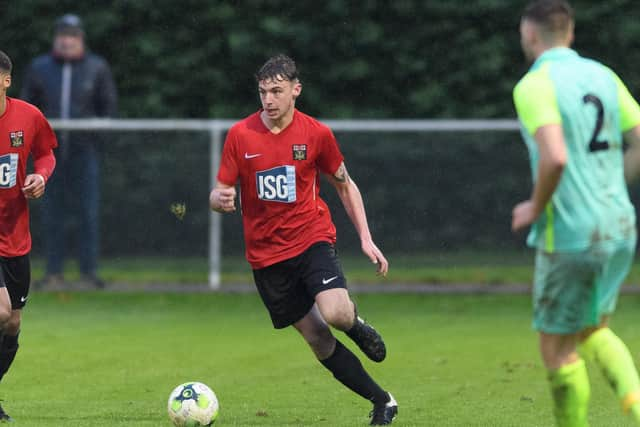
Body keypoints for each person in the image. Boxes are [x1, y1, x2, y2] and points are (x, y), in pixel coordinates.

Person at [209, 54, 398, 425]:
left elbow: (344, 185)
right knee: (318, 339)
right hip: (265, 258)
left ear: (296, 90)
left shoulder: (316, 134)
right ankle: (383, 401)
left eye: (277, 91)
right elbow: (219, 194)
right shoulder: (240, 135)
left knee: (336, 313)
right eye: (263, 92)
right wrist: (220, 200)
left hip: (311, 239)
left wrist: (366, 237)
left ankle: (355, 324)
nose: (269, 100)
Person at [512, 1, 640, 425]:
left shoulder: (535, 84)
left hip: (571, 234)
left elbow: (556, 157)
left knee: (557, 349)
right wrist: (612, 187)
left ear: (530, 35)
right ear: (569, 33)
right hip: (619, 224)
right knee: (593, 330)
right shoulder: (602, 75)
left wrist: (534, 206)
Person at [21, 14, 117, 289]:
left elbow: (108, 109)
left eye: (72, 35)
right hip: (48, 156)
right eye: (62, 35)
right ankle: (53, 272)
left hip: (84, 153)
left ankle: (88, 272)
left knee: (87, 212)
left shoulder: (97, 67)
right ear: (56, 38)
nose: (66, 40)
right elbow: (28, 108)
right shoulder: (40, 68)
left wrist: (94, 140)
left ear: (81, 39)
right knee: (52, 214)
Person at [0, 50, 58, 422]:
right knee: (0, 311)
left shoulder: (28, 116)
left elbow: (47, 154)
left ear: (6, 80)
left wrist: (41, 176)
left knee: (13, 322)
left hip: (15, 237)